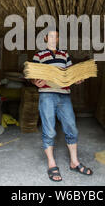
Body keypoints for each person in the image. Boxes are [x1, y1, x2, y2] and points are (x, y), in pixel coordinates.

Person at [31, 30, 93, 182]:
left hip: (64, 95)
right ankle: (51, 164)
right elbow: (32, 75)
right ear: (46, 38)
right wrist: (34, 81)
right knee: (50, 130)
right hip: (47, 95)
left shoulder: (64, 55)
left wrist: (76, 79)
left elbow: (70, 75)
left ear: (58, 39)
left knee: (71, 126)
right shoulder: (38, 56)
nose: (53, 38)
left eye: (56, 36)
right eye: (50, 36)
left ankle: (74, 161)